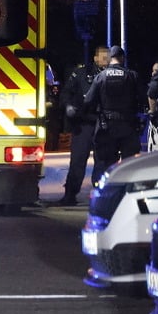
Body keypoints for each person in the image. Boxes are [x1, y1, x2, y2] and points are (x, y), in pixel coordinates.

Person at [55, 45, 108, 205]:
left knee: (103, 161)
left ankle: (102, 195)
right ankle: (70, 194)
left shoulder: (113, 75)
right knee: (78, 160)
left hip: (104, 123)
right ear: (96, 58)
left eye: (109, 58)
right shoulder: (81, 74)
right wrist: (68, 106)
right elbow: (66, 93)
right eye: (104, 57)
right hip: (83, 123)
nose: (106, 61)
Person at [83, 46, 144, 184]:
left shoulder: (100, 77)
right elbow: (143, 99)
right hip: (128, 126)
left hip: (107, 127)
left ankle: (106, 192)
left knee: (107, 163)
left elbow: (88, 101)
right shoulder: (132, 75)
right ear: (122, 58)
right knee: (130, 163)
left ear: (110, 59)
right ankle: (127, 190)